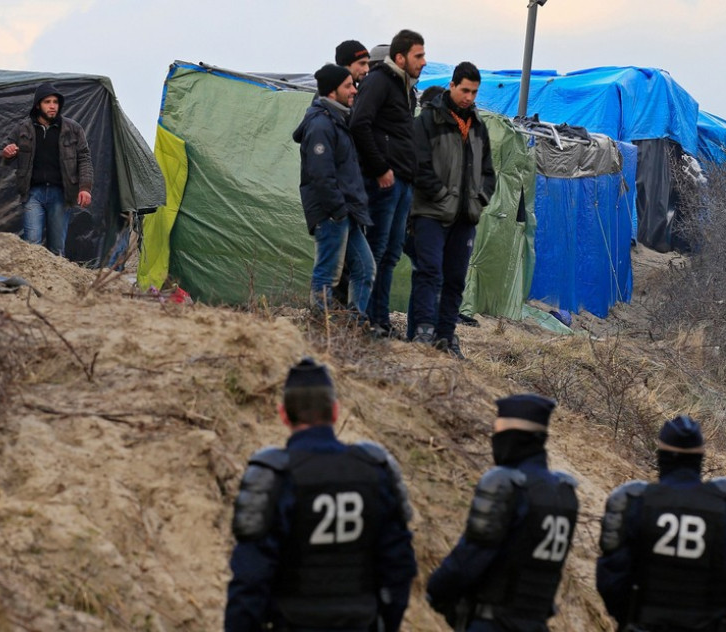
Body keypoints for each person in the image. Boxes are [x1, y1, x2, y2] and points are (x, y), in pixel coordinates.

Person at [224, 358, 417, 632]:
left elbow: (250, 578)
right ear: (335, 412)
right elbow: (400, 566)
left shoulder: (273, 475)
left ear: (283, 415)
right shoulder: (375, 470)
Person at [597, 415, 726, 632]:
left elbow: (611, 577)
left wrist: (629, 617)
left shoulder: (635, 502)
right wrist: (724, 611)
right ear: (700, 458)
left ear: (661, 456)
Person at [426, 393, 579, 631]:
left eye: (498, 432)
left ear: (511, 436)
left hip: (492, 622)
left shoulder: (505, 483)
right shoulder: (564, 492)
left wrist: (435, 590)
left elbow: (471, 556)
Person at [406, 61, 495, 359]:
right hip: (431, 213)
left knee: (456, 278)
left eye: (474, 92)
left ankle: (445, 336)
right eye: (465, 90)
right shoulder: (428, 120)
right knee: (429, 273)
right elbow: (418, 166)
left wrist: (479, 198)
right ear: (452, 86)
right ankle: (423, 332)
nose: (469, 97)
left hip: (465, 217)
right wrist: (443, 196)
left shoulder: (479, 127)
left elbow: (488, 172)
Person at [349, 29, 427, 339]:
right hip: (384, 182)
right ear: (400, 57)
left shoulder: (406, 90)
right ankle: (366, 320)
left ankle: (380, 320)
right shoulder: (380, 81)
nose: (424, 61)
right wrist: (380, 168)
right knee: (377, 251)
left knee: (392, 253)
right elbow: (359, 123)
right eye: (418, 56)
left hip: (403, 182)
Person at [292, 65, 375, 318]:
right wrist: (337, 209)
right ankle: (320, 321)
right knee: (328, 271)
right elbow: (320, 174)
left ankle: (356, 321)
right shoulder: (320, 125)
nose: (354, 90)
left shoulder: (339, 121)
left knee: (365, 268)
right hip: (332, 212)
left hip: (346, 212)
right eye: (348, 85)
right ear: (332, 91)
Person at [0, 82, 93, 257]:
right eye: (47, 102)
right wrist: (7, 153)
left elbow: (84, 159)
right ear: (38, 105)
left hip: (61, 194)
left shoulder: (73, 129)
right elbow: (4, 154)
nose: (52, 106)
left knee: (57, 249)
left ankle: (55, 284)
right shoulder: (23, 128)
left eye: (55, 102)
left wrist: (85, 188)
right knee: (31, 246)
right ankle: (31, 283)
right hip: (32, 194)